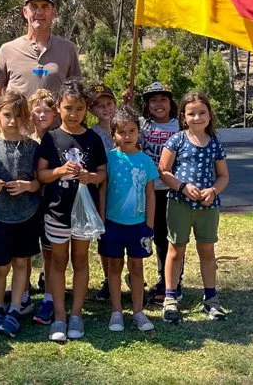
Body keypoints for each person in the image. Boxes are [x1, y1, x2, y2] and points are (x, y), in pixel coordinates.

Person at [37, 80, 107, 342]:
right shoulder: (51, 138)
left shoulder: (93, 139)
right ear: (58, 108)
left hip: (83, 215)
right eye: (68, 108)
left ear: (86, 109)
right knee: (57, 262)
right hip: (56, 211)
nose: (73, 114)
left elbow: (102, 174)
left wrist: (90, 177)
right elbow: (41, 175)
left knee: (80, 261)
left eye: (79, 108)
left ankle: (76, 314)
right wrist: (58, 171)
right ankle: (59, 316)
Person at [158, 92, 230, 324]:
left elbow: (223, 176)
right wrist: (182, 187)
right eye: (191, 113)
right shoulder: (177, 140)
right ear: (183, 116)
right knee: (176, 249)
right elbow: (164, 170)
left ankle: (210, 297)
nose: (197, 117)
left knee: (207, 251)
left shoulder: (215, 145)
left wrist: (213, 191)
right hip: (180, 204)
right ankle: (170, 298)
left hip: (207, 207)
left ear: (210, 115)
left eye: (202, 112)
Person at [0, 91, 41, 339]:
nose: (12, 121)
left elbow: (39, 182)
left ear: (25, 117)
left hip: (27, 213)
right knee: (1, 265)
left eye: (18, 116)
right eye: (7, 115)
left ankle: (15, 309)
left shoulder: (32, 147)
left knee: (21, 263)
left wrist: (28, 186)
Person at [0, 0, 81, 127]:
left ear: (54, 13)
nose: (39, 12)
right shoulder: (8, 49)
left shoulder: (67, 49)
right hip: (18, 133)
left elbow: (76, 95)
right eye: (34, 7)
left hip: (54, 138)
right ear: (25, 12)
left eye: (45, 7)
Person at [99, 106, 157, 333]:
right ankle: (116, 311)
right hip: (113, 223)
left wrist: (149, 224)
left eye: (132, 131)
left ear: (138, 133)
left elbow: (150, 193)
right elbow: (102, 189)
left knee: (136, 267)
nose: (127, 136)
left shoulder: (146, 161)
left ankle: (138, 311)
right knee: (114, 267)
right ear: (113, 134)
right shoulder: (109, 159)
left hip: (138, 225)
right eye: (122, 131)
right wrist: (102, 220)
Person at [138, 82, 181, 305]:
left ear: (170, 103)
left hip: (170, 189)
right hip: (148, 189)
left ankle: (173, 283)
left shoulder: (179, 125)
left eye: (162, 99)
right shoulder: (142, 124)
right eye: (153, 100)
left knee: (170, 238)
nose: (158, 104)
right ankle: (161, 280)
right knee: (155, 237)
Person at [28, 88, 59, 326]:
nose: (41, 114)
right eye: (36, 110)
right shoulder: (23, 138)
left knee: (50, 253)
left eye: (47, 110)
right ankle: (24, 293)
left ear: (55, 113)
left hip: (53, 203)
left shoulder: (59, 137)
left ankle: (50, 297)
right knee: (27, 251)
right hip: (27, 205)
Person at [89, 84, 117, 303]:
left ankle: (127, 276)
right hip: (102, 192)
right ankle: (109, 279)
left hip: (126, 191)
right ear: (91, 110)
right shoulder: (92, 135)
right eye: (99, 106)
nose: (105, 109)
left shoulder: (125, 128)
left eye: (109, 104)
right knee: (105, 237)